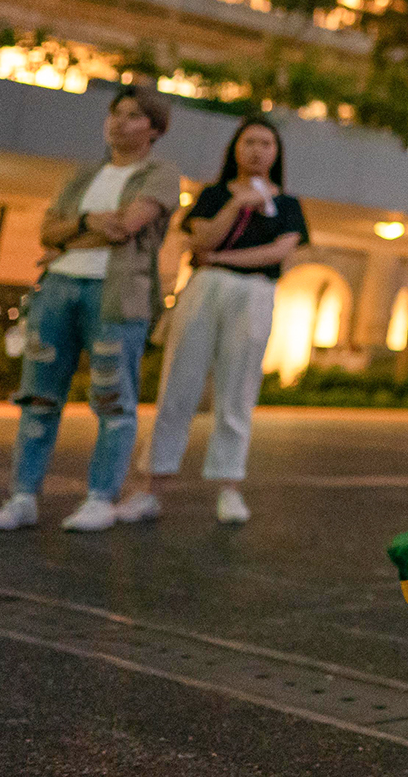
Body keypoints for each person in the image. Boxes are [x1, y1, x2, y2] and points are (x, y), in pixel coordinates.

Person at [0, 85, 182, 533]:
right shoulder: (84, 175)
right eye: (115, 113)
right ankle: (22, 496)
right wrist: (91, 223)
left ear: (154, 128)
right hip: (57, 288)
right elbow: (46, 231)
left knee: (113, 399)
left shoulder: (162, 173)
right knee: (38, 395)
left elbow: (127, 227)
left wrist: (68, 235)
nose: (118, 122)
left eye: (132, 115)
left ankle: (100, 498)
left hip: (116, 295)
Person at [118, 116, 307, 526]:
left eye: (266, 144)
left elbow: (279, 253)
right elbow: (201, 239)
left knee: (238, 387)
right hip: (205, 289)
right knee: (178, 384)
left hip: (254, 292)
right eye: (250, 142)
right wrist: (237, 203)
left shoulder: (288, 205)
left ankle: (230, 487)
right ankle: (152, 486)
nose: (258, 150)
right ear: (235, 148)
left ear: (277, 153)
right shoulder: (213, 195)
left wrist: (222, 258)